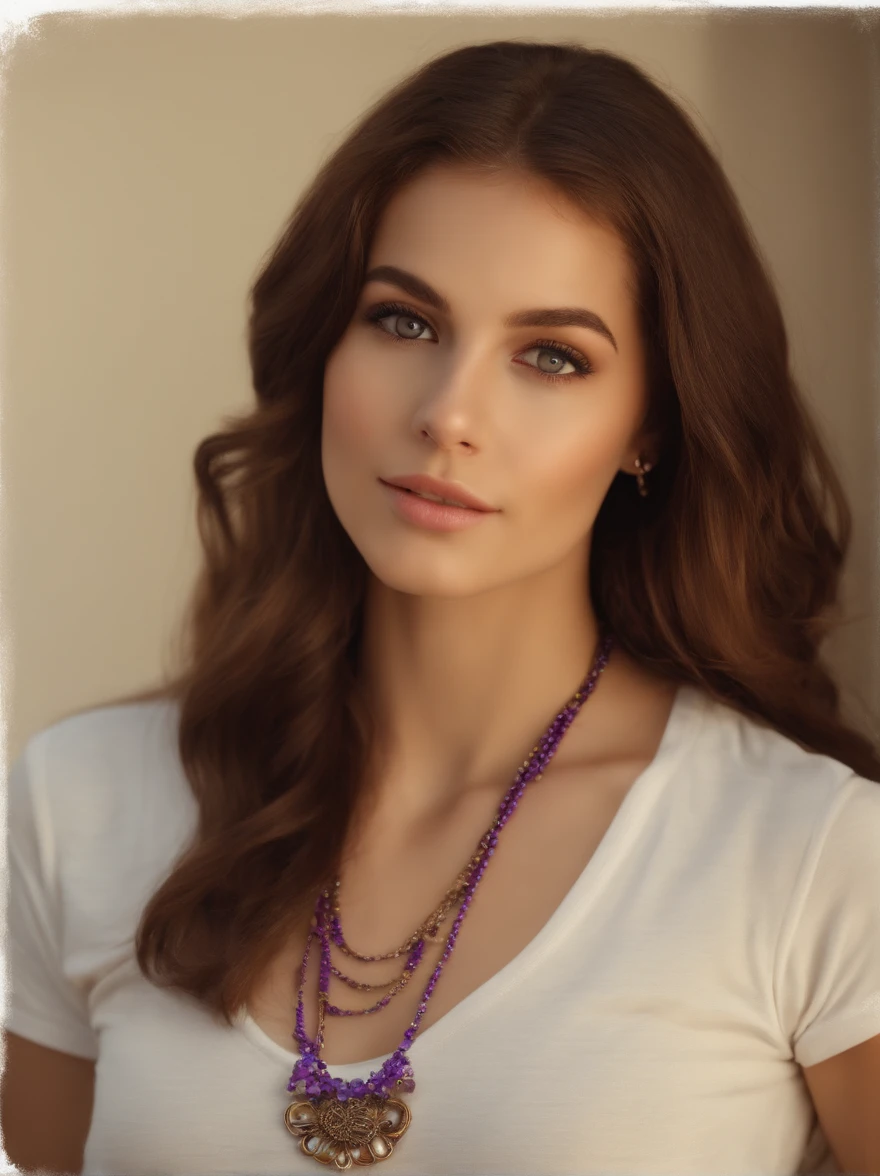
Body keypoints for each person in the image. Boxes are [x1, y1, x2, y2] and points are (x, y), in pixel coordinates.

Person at [3, 38, 880, 1176]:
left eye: (552, 358)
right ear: (325, 342)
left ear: (649, 429)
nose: (449, 414)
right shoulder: (81, 806)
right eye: (403, 322)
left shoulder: (813, 859)